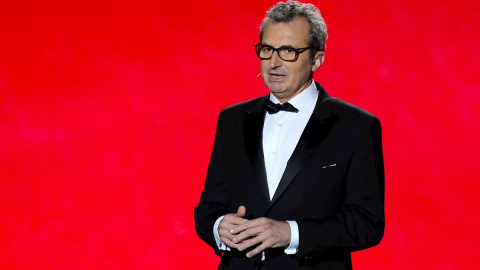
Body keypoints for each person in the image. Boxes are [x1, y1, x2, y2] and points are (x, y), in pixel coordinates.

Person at [194, 1, 385, 269]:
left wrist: (290, 233)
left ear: (317, 58)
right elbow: (208, 209)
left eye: (288, 51)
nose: (274, 62)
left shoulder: (355, 126)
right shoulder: (233, 119)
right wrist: (218, 228)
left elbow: (367, 223)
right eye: (267, 49)